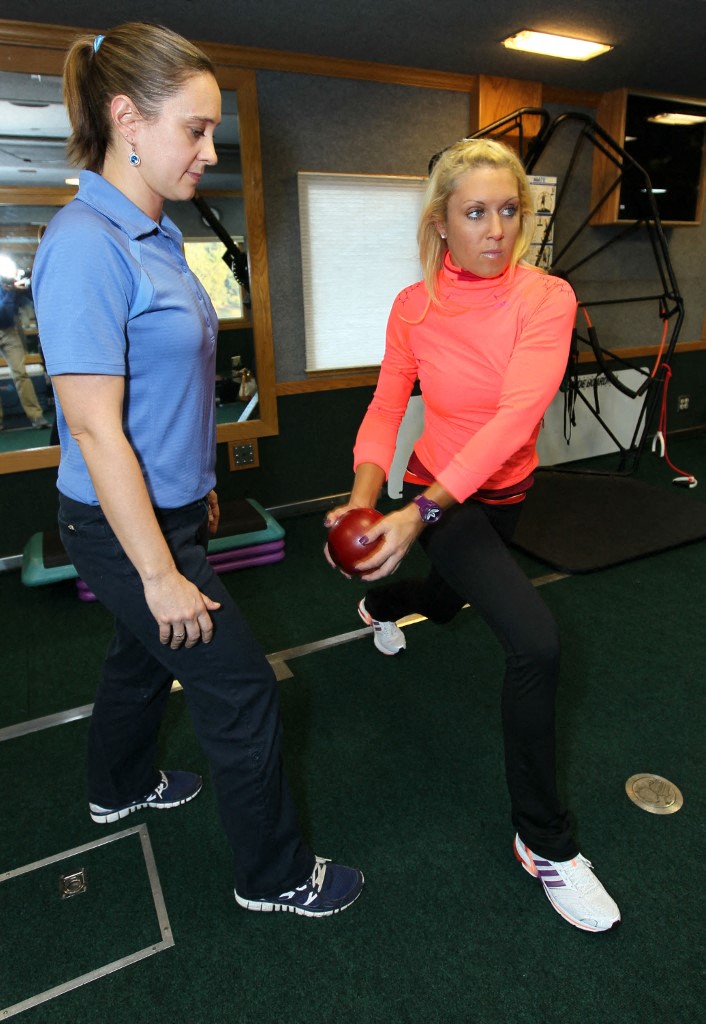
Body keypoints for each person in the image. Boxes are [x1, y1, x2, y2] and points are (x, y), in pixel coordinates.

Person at [32, 22, 363, 917]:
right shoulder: (85, 244)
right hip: (119, 527)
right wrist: (157, 571)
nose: (211, 151)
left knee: (141, 658)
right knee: (244, 690)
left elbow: (172, 387)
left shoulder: (157, 234)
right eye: (196, 129)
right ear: (127, 120)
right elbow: (94, 428)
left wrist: (199, 486)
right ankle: (275, 878)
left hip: (169, 509)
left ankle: (118, 786)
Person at [324, 137, 620, 933]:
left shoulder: (545, 298)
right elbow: (387, 405)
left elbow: (515, 420)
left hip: (500, 492)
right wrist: (365, 504)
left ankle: (385, 606)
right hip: (439, 495)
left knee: (447, 602)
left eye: (509, 210)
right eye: (476, 212)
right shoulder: (413, 306)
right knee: (536, 643)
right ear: (442, 224)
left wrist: (408, 522)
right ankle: (544, 842)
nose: (496, 229)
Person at [0, 278, 50, 431]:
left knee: (21, 374)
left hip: (9, 331)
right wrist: (10, 294)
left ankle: (36, 416)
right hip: (8, 326)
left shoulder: (5, 283)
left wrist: (17, 289)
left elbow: (24, 303)